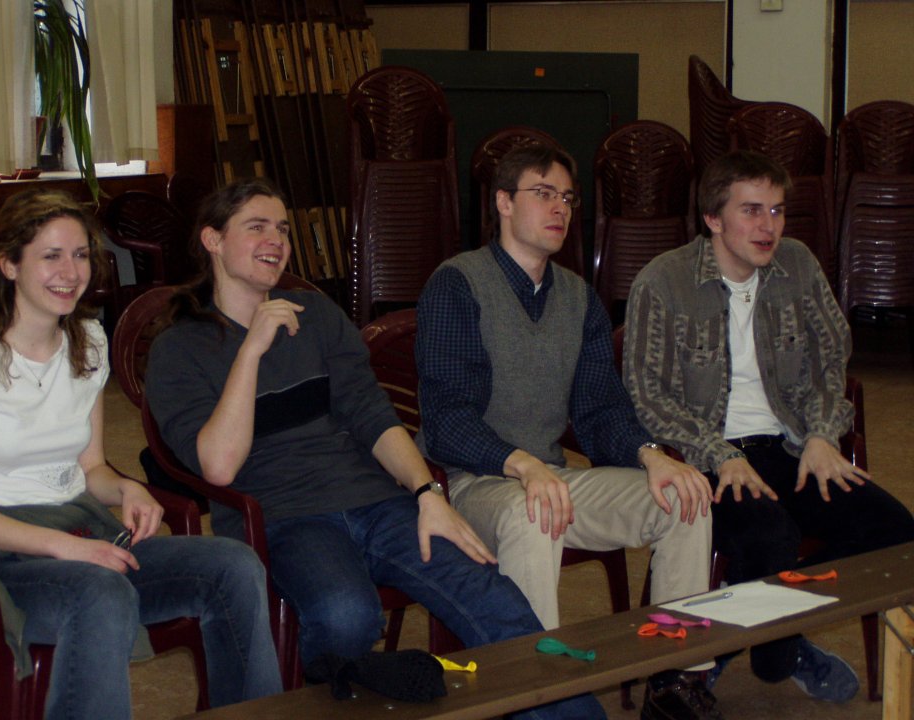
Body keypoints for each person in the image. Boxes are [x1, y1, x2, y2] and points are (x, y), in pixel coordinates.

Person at [145, 177, 605, 720]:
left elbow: (372, 416)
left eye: (283, 229)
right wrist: (251, 350)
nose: (276, 240)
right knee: (346, 616)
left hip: (376, 500)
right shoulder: (179, 347)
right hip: (285, 517)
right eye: (257, 227)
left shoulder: (316, 315)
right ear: (213, 240)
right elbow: (219, 468)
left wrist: (428, 494)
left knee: (492, 595)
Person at [414, 143, 719, 720]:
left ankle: (675, 682)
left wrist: (652, 455)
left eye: (568, 198)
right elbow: (448, 419)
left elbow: (601, 409)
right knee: (535, 513)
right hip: (469, 482)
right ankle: (542, 700)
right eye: (543, 193)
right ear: (504, 202)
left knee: (686, 496)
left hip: (549, 476)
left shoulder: (579, 297)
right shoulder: (458, 284)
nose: (559, 208)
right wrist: (522, 464)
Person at [0, 189, 283, 720]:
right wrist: (63, 547)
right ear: (10, 264)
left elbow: (90, 468)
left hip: (80, 534)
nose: (71, 272)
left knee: (232, 566)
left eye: (81, 254)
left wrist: (128, 488)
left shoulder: (87, 340)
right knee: (101, 593)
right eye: (51, 256)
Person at [624, 150, 914, 703]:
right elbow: (647, 394)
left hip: (790, 445)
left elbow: (832, 360)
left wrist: (823, 434)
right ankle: (781, 644)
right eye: (752, 210)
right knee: (771, 535)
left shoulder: (797, 266)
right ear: (713, 218)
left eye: (777, 211)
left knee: (894, 532)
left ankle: (750, 637)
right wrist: (719, 454)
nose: (769, 226)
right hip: (704, 456)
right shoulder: (664, 281)